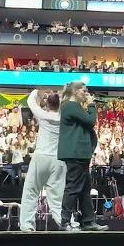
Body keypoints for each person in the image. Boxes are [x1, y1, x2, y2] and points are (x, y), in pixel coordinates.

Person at [19, 89, 74, 232]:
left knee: (31, 192)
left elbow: (30, 101)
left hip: (41, 157)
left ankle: (27, 227)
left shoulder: (42, 114)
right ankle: (68, 224)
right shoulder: (66, 118)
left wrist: (38, 92)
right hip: (58, 160)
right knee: (58, 197)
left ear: (48, 105)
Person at [58, 82, 108, 232]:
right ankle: (65, 221)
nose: (86, 94)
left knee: (85, 189)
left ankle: (88, 221)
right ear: (75, 91)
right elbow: (90, 121)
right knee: (73, 187)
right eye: (84, 91)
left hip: (80, 153)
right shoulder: (71, 106)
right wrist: (92, 105)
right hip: (76, 152)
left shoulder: (72, 106)